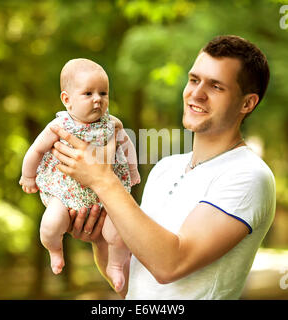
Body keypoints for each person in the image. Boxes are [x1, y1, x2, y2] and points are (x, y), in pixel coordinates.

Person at [50, 35, 276, 300]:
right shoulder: (165, 169)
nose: (197, 93)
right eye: (194, 79)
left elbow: (170, 264)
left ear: (247, 103)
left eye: (216, 86)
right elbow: (130, 285)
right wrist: (99, 238)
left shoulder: (249, 175)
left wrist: (102, 180)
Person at [19, 58, 140, 293]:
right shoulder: (59, 126)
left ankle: (115, 265)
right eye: (88, 93)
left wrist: (133, 170)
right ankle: (55, 249)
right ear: (67, 100)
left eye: (103, 93)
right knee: (51, 224)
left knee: (119, 230)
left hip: (105, 195)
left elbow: (127, 146)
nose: (98, 99)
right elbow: (36, 149)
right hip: (65, 194)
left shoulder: (112, 124)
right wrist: (28, 176)